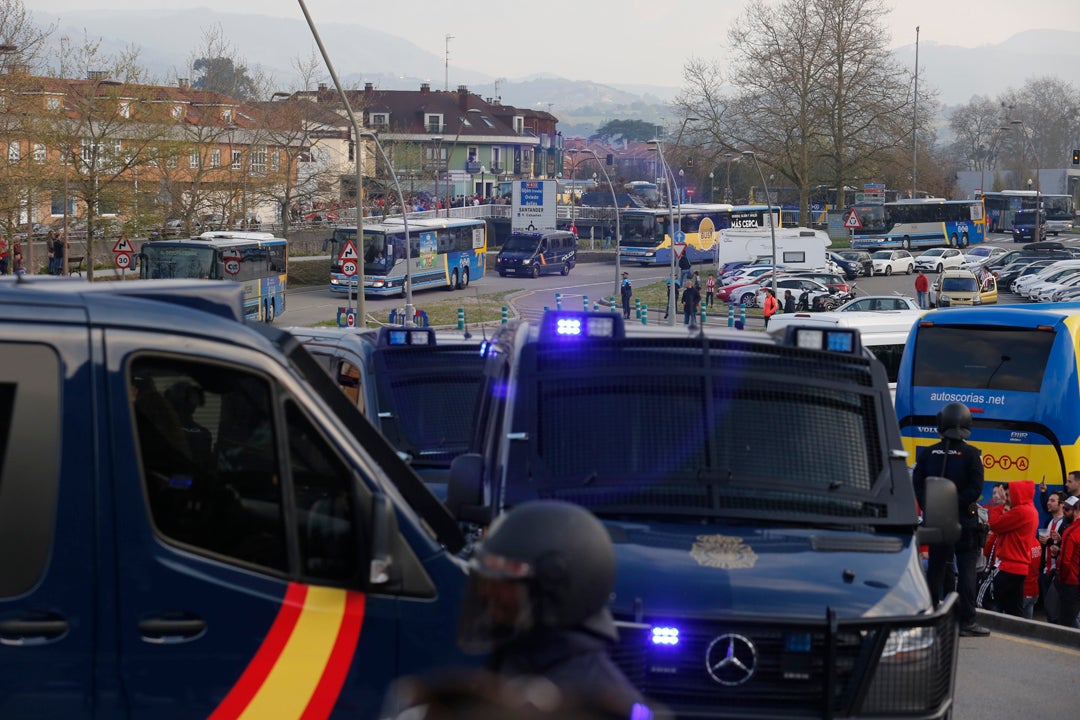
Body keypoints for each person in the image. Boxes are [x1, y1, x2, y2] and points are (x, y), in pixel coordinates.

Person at [451, 500, 657, 719]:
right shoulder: (514, 663)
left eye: (503, 581)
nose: (486, 591)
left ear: (553, 587)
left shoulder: (597, 705)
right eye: (485, 578)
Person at [912, 401, 990, 637]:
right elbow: (976, 489)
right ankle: (966, 621)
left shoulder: (927, 453)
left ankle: (930, 615)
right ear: (967, 423)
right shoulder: (971, 454)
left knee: (935, 569)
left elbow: (918, 485)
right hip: (965, 522)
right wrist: (956, 501)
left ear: (941, 423)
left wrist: (933, 505)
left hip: (936, 519)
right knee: (967, 570)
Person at [986, 480, 1039, 617]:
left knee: (984, 598)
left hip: (1008, 565)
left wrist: (1000, 505)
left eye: (1009, 495)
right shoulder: (1031, 511)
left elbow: (995, 524)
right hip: (1019, 567)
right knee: (1014, 610)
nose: (1008, 499)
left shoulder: (1021, 511)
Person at [1056, 496, 1080, 627]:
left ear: (1076, 510)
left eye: (1066, 509)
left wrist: (1062, 579)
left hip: (1071, 582)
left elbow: (1065, 562)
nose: (1064, 511)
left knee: (1067, 622)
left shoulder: (1070, 532)